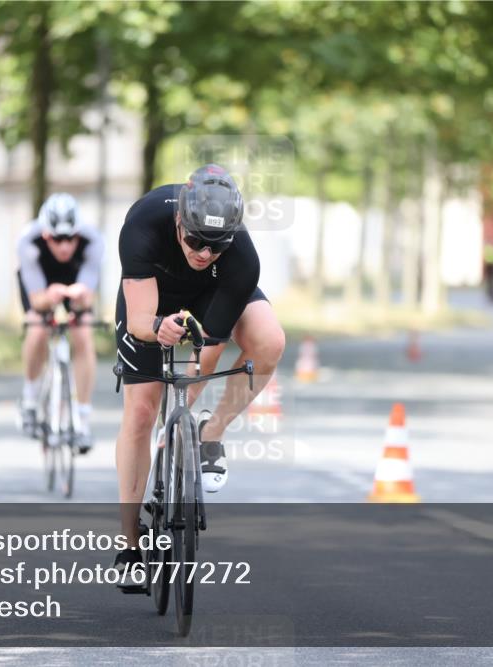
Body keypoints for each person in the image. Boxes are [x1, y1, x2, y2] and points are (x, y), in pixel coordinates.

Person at [111, 164, 285, 577]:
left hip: (213, 295)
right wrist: (158, 327)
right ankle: (130, 544)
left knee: (270, 340)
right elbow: (139, 320)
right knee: (140, 412)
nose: (203, 253)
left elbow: (211, 343)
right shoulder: (144, 220)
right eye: (193, 240)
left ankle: (210, 436)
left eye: (215, 246)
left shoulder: (242, 259)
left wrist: (182, 415)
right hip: (153, 301)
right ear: (178, 220)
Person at [16, 193, 104, 453]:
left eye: (70, 238)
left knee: (83, 333)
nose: (64, 246)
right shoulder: (27, 241)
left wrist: (81, 297)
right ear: (46, 235)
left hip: (75, 279)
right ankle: (30, 399)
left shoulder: (93, 241)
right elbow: (37, 299)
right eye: (57, 239)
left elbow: (88, 296)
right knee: (37, 326)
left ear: (78, 234)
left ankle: (82, 420)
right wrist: (49, 296)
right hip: (40, 282)